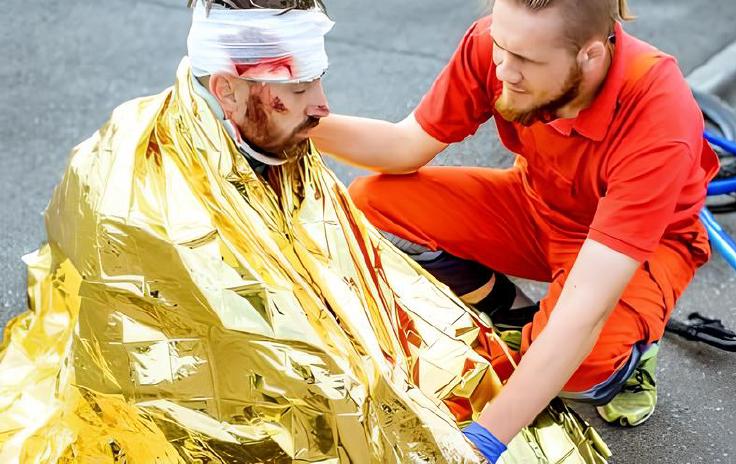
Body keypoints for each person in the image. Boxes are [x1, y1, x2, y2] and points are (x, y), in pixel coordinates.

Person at [0, 1, 610, 462]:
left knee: (569, 358)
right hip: (537, 209)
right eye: (298, 90)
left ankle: (616, 355)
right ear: (227, 91)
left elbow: (353, 228)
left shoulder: (268, 133)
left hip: (612, 242)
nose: (321, 105)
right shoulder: (133, 188)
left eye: (316, 82)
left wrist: (487, 435)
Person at [311, 0, 720, 461]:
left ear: (590, 54)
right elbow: (405, 146)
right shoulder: (498, 45)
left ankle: (628, 362)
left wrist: (483, 443)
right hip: (538, 204)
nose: (504, 68)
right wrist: (298, 123)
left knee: (577, 367)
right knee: (373, 204)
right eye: (501, 47)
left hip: (643, 246)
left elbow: (585, 307)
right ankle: (517, 320)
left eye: (525, 59)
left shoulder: (658, 112)